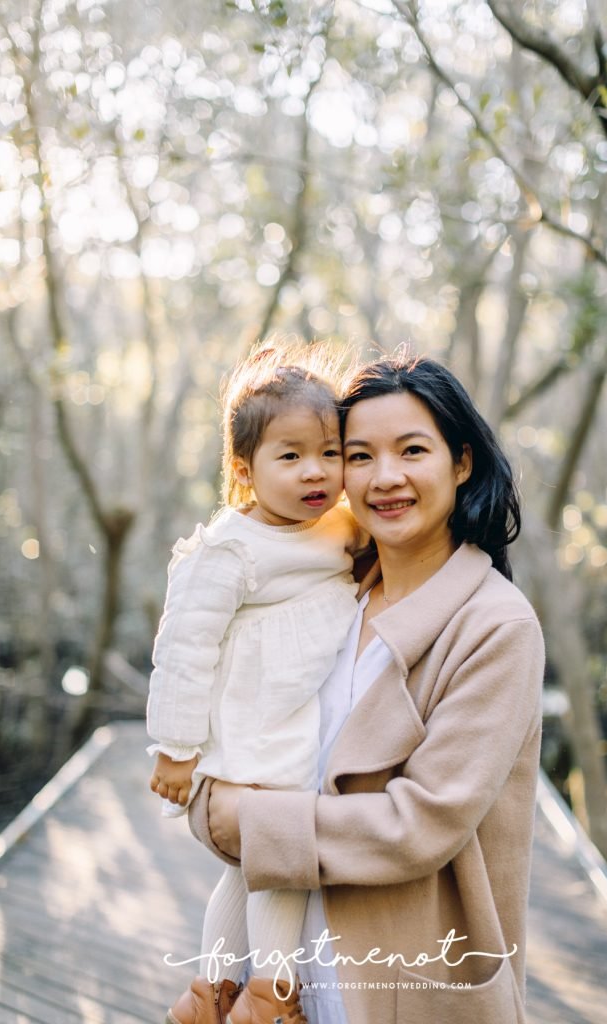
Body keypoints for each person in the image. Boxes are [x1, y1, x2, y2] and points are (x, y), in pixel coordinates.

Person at [191, 353, 546, 1024]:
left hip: (402, 986)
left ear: (461, 462)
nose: (385, 477)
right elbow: (240, 731)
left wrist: (244, 820)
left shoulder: (496, 627)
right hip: (281, 974)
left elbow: (419, 825)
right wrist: (207, 793)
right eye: (358, 456)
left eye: (412, 450)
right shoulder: (329, 593)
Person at [146, 343, 368, 1024]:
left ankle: (207, 996)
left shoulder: (339, 527)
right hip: (245, 736)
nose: (315, 471)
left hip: (291, 729)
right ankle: (272, 994)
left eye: (330, 452)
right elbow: (183, 650)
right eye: (290, 455)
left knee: (244, 874)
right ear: (244, 471)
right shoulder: (230, 549)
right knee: (284, 862)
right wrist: (176, 748)